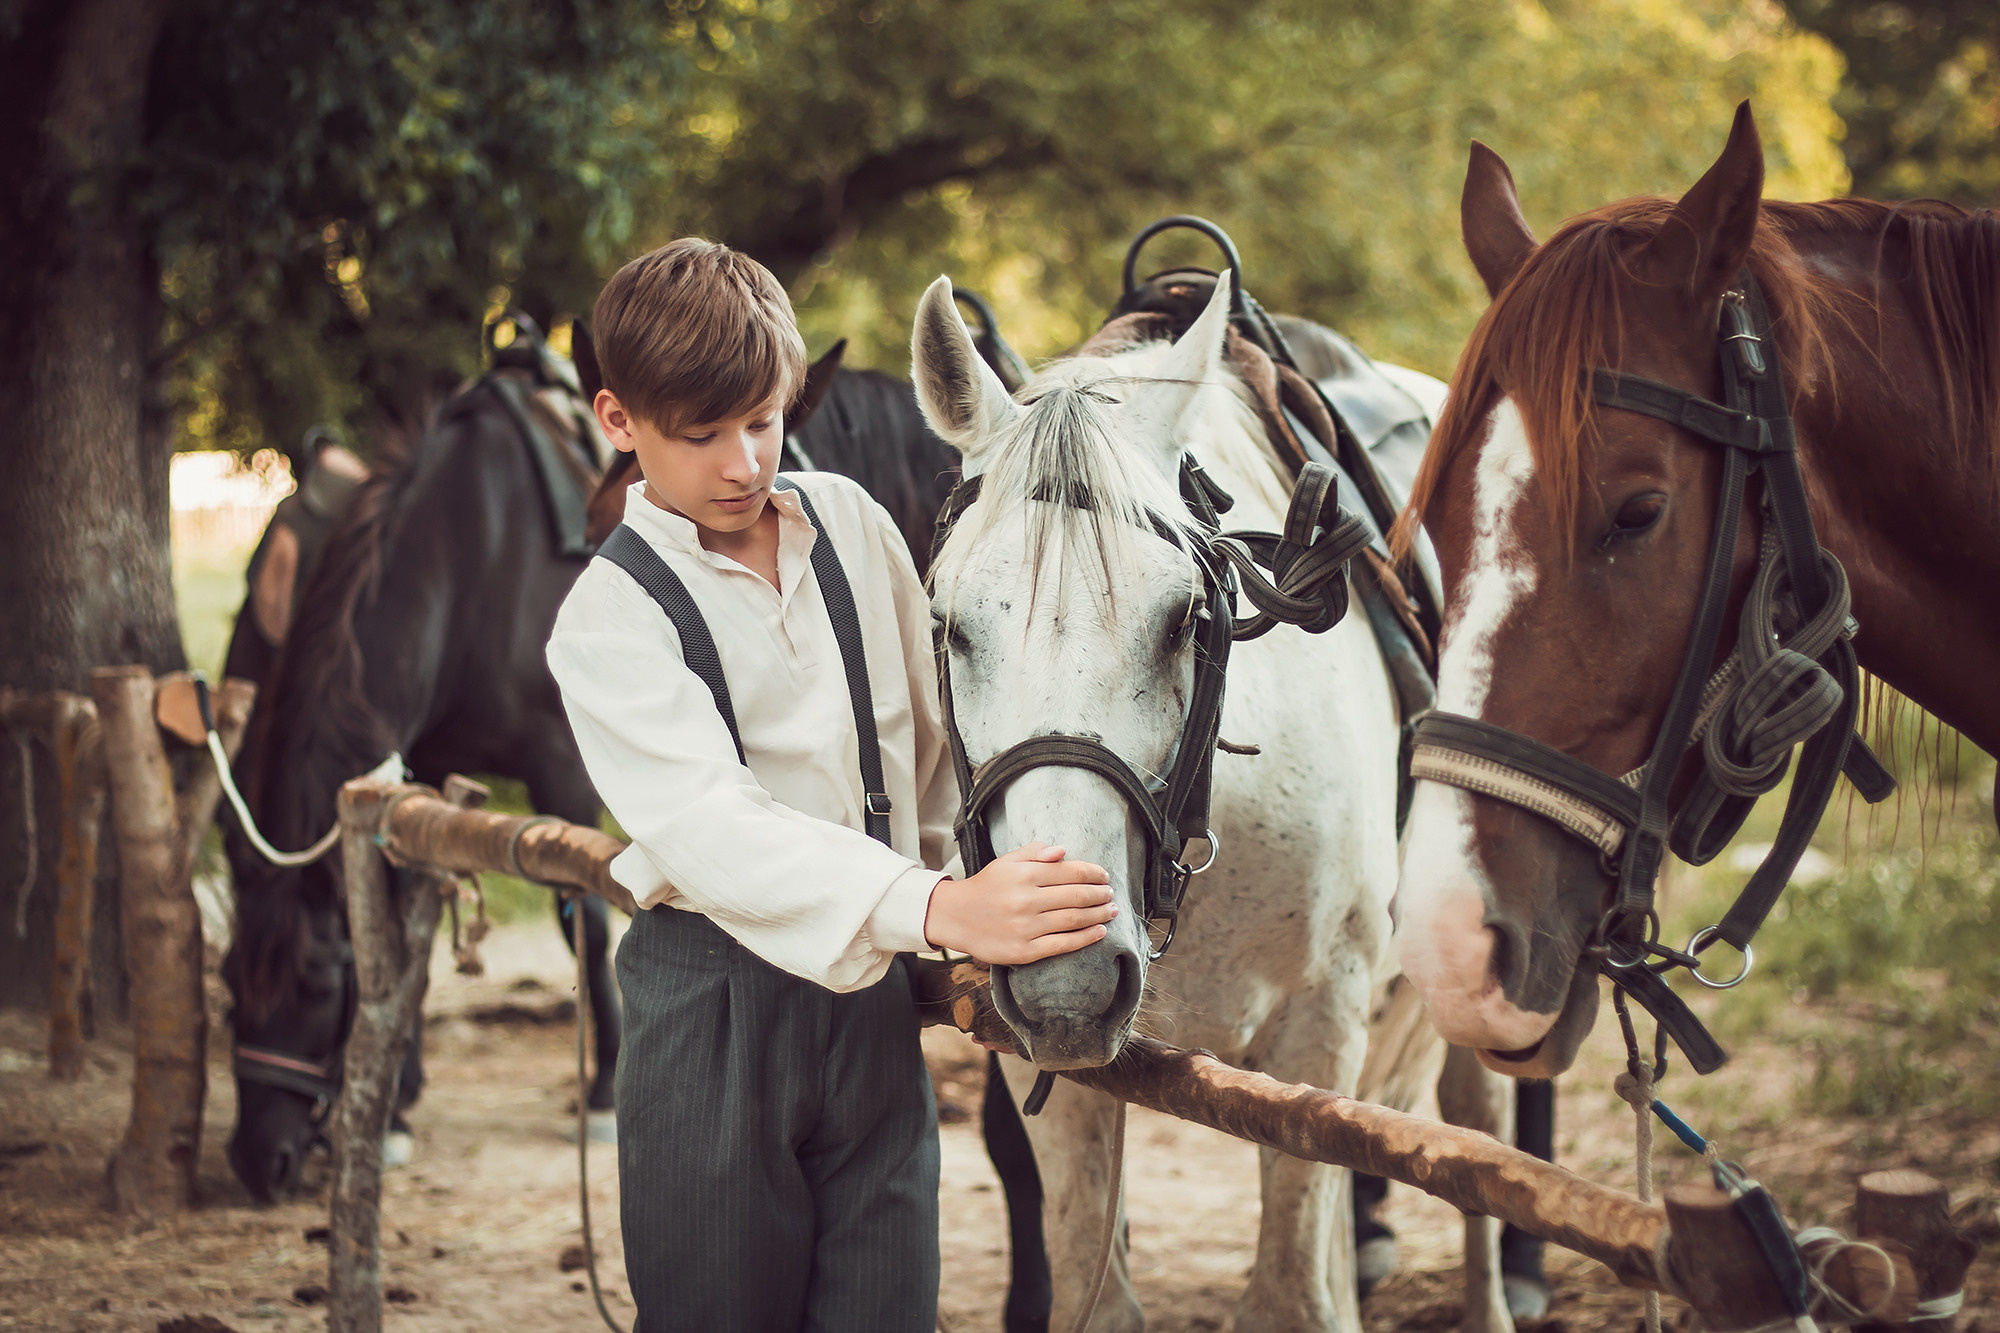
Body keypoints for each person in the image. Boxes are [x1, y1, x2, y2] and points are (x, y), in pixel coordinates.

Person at [546, 237, 1116, 1332]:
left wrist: (990, 882)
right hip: (709, 1010)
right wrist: (941, 905)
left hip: (871, 1018)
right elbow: (716, 829)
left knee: (886, 1308)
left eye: (763, 421)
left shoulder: (854, 525)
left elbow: (937, 741)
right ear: (619, 421)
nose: (740, 464)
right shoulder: (606, 620)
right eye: (699, 434)